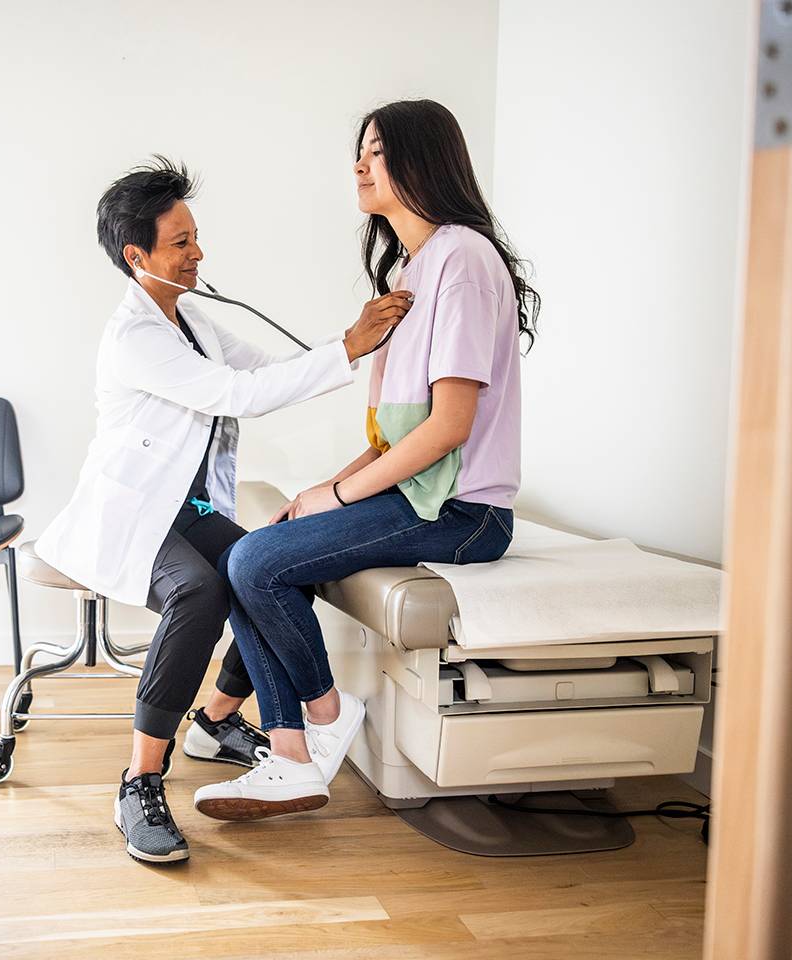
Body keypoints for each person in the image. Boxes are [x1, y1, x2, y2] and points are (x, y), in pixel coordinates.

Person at [34, 157, 409, 863]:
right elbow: (234, 395)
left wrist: (362, 348)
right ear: (136, 256)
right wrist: (348, 346)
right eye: (180, 242)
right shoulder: (135, 337)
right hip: (133, 512)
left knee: (273, 570)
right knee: (200, 592)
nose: (198, 251)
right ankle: (140, 782)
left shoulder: (195, 321)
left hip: (191, 506)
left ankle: (215, 722)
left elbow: (265, 372)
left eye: (195, 236)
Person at [194, 99, 541, 822]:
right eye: (361, 150)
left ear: (422, 160)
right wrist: (327, 486)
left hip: (465, 513)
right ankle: (289, 755)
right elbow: (394, 435)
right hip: (421, 497)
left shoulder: (465, 259)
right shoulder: (414, 273)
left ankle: (320, 719)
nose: (359, 164)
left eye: (376, 151)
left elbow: (448, 428)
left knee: (256, 563)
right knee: (251, 554)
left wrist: (344, 499)